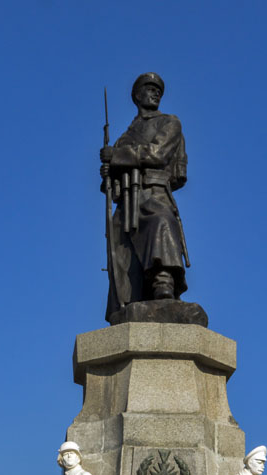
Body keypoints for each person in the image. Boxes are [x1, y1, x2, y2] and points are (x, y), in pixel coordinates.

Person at [100, 72, 189, 319]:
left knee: (160, 220)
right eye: (149, 89)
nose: (155, 93)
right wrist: (107, 171)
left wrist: (116, 157)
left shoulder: (169, 122)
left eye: (158, 90)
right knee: (119, 244)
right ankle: (126, 303)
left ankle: (164, 283)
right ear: (136, 95)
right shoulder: (126, 135)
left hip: (154, 193)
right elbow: (113, 176)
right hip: (128, 199)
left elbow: (157, 153)